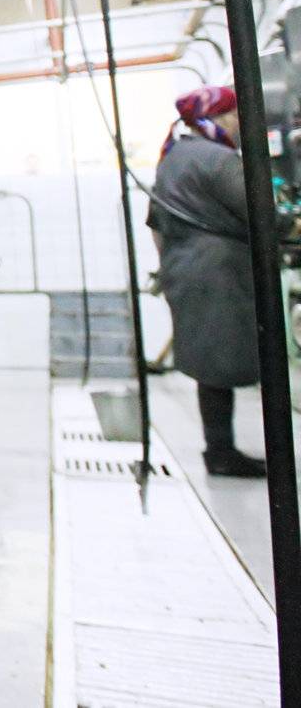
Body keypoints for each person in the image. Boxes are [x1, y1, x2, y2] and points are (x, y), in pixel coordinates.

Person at [147, 86, 266, 478]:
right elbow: (259, 210)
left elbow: (155, 224)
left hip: (185, 268)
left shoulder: (171, 159)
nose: (237, 124)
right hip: (220, 272)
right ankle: (222, 452)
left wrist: (171, 267)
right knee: (222, 360)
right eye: (233, 115)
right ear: (215, 118)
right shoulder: (218, 159)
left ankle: (220, 448)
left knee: (210, 365)